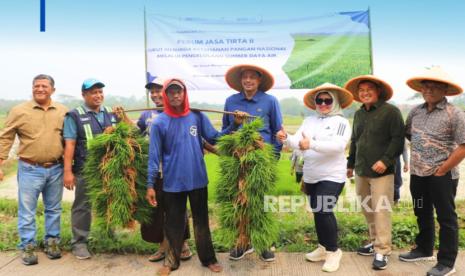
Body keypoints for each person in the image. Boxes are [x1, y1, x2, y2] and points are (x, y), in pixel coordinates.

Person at [147, 78, 245, 275]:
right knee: (173, 223)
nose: (176, 95)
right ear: (166, 96)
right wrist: (150, 185)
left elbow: (215, 137)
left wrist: (234, 124)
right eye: (171, 92)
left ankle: (208, 259)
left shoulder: (196, 117)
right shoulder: (159, 123)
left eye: (179, 92)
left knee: (202, 220)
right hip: (173, 182)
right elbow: (154, 155)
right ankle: (171, 261)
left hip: (198, 179)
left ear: (184, 94)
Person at [277, 83, 353, 272]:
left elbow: (338, 146)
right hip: (311, 175)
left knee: (324, 210)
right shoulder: (310, 120)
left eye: (328, 100)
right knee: (317, 211)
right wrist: (286, 138)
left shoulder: (341, 123)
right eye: (320, 100)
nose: (323, 104)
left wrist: (311, 144)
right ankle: (323, 247)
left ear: (334, 102)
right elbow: (298, 142)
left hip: (332, 175)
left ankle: (333, 251)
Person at [399, 66, 465, 276]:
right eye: (426, 86)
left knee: (446, 217)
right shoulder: (415, 111)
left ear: (445, 90)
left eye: (435, 87)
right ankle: (424, 249)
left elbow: (464, 146)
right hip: (418, 174)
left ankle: (446, 262)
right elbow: (409, 135)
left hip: (442, 176)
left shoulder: (454, 114)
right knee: (421, 211)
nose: (429, 90)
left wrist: (443, 168)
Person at [0, 74, 67, 265]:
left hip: (56, 168)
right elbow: (6, 138)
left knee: (53, 209)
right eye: (36, 86)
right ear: (32, 88)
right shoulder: (19, 110)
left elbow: (70, 139)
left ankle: (52, 243)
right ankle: (28, 246)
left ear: (52, 90)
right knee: (27, 211)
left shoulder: (62, 111)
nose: (40, 89)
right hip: (30, 168)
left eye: (44, 86)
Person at [222, 64, 283, 262]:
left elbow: (278, 131)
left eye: (252, 77)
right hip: (237, 161)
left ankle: (263, 243)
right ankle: (242, 244)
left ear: (259, 80)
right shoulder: (231, 102)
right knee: (239, 202)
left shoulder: (270, 101)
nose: (248, 80)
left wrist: (272, 157)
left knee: (260, 202)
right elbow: (225, 131)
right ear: (240, 81)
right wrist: (236, 124)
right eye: (245, 77)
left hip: (261, 160)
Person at [344, 75, 405, 270]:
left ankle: (383, 250)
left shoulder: (391, 112)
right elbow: (355, 140)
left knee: (381, 210)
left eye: (369, 88)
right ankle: (374, 241)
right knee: (367, 207)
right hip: (362, 169)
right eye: (361, 90)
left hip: (382, 172)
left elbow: (398, 139)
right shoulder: (359, 114)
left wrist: (385, 161)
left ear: (378, 91)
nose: (365, 92)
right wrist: (350, 164)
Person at [137, 77, 193, 262]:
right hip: (155, 169)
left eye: (158, 90)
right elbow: (137, 134)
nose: (155, 95)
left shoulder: (180, 113)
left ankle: (182, 243)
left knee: (177, 209)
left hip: (175, 170)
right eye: (152, 92)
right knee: (157, 208)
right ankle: (163, 245)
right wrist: (121, 121)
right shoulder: (146, 115)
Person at [63, 78, 117, 259]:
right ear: (84, 95)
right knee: (83, 206)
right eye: (93, 92)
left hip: (110, 168)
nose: (98, 95)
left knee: (109, 201)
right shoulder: (74, 115)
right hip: (85, 169)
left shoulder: (110, 112)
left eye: (100, 92)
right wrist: (68, 172)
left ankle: (110, 233)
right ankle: (79, 242)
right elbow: (69, 144)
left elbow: (126, 134)